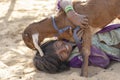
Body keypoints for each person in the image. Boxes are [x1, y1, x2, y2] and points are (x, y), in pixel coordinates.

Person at [33, 24, 120, 73]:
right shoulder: (76, 60)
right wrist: (85, 46)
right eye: (61, 55)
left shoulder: (67, 34)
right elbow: (104, 62)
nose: (63, 48)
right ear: (63, 62)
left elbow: (61, 3)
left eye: (57, 45)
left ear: (53, 41)